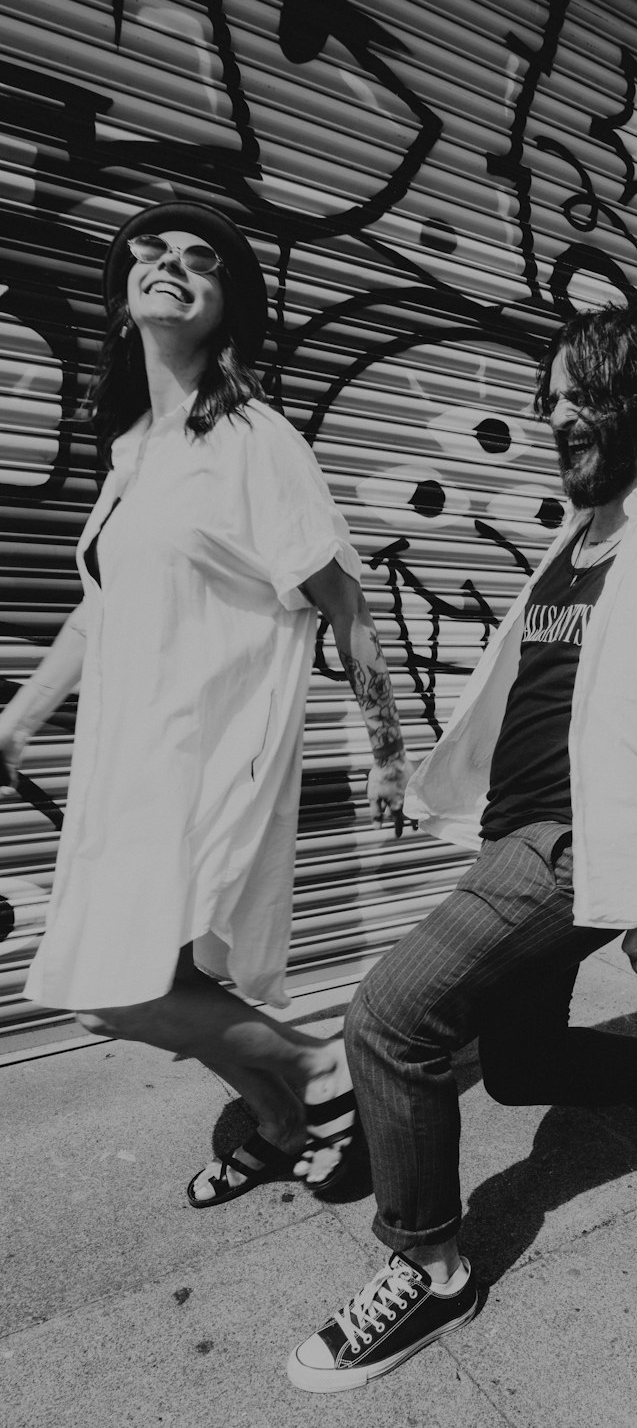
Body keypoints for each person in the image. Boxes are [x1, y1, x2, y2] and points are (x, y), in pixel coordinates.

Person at [285, 300, 637, 1392]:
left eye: (569, 392)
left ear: (636, 394)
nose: (548, 412)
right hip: (518, 831)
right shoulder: (577, 537)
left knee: (394, 1015)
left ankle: (430, 1261)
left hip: (579, 844)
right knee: (514, 1066)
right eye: (545, 396)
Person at [0, 201, 410, 1207]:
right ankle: (276, 1123)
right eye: (157, 253)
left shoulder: (252, 437)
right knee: (165, 976)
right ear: (123, 296)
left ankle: (318, 1072)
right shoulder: (134, 452)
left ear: (228, 309)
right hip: (126, 761)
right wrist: (14, 720)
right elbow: (97, 616)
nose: (174, 264)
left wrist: (389, 745)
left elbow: (341, 598)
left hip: (201, 753)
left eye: (203, 261)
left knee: (114, 990)